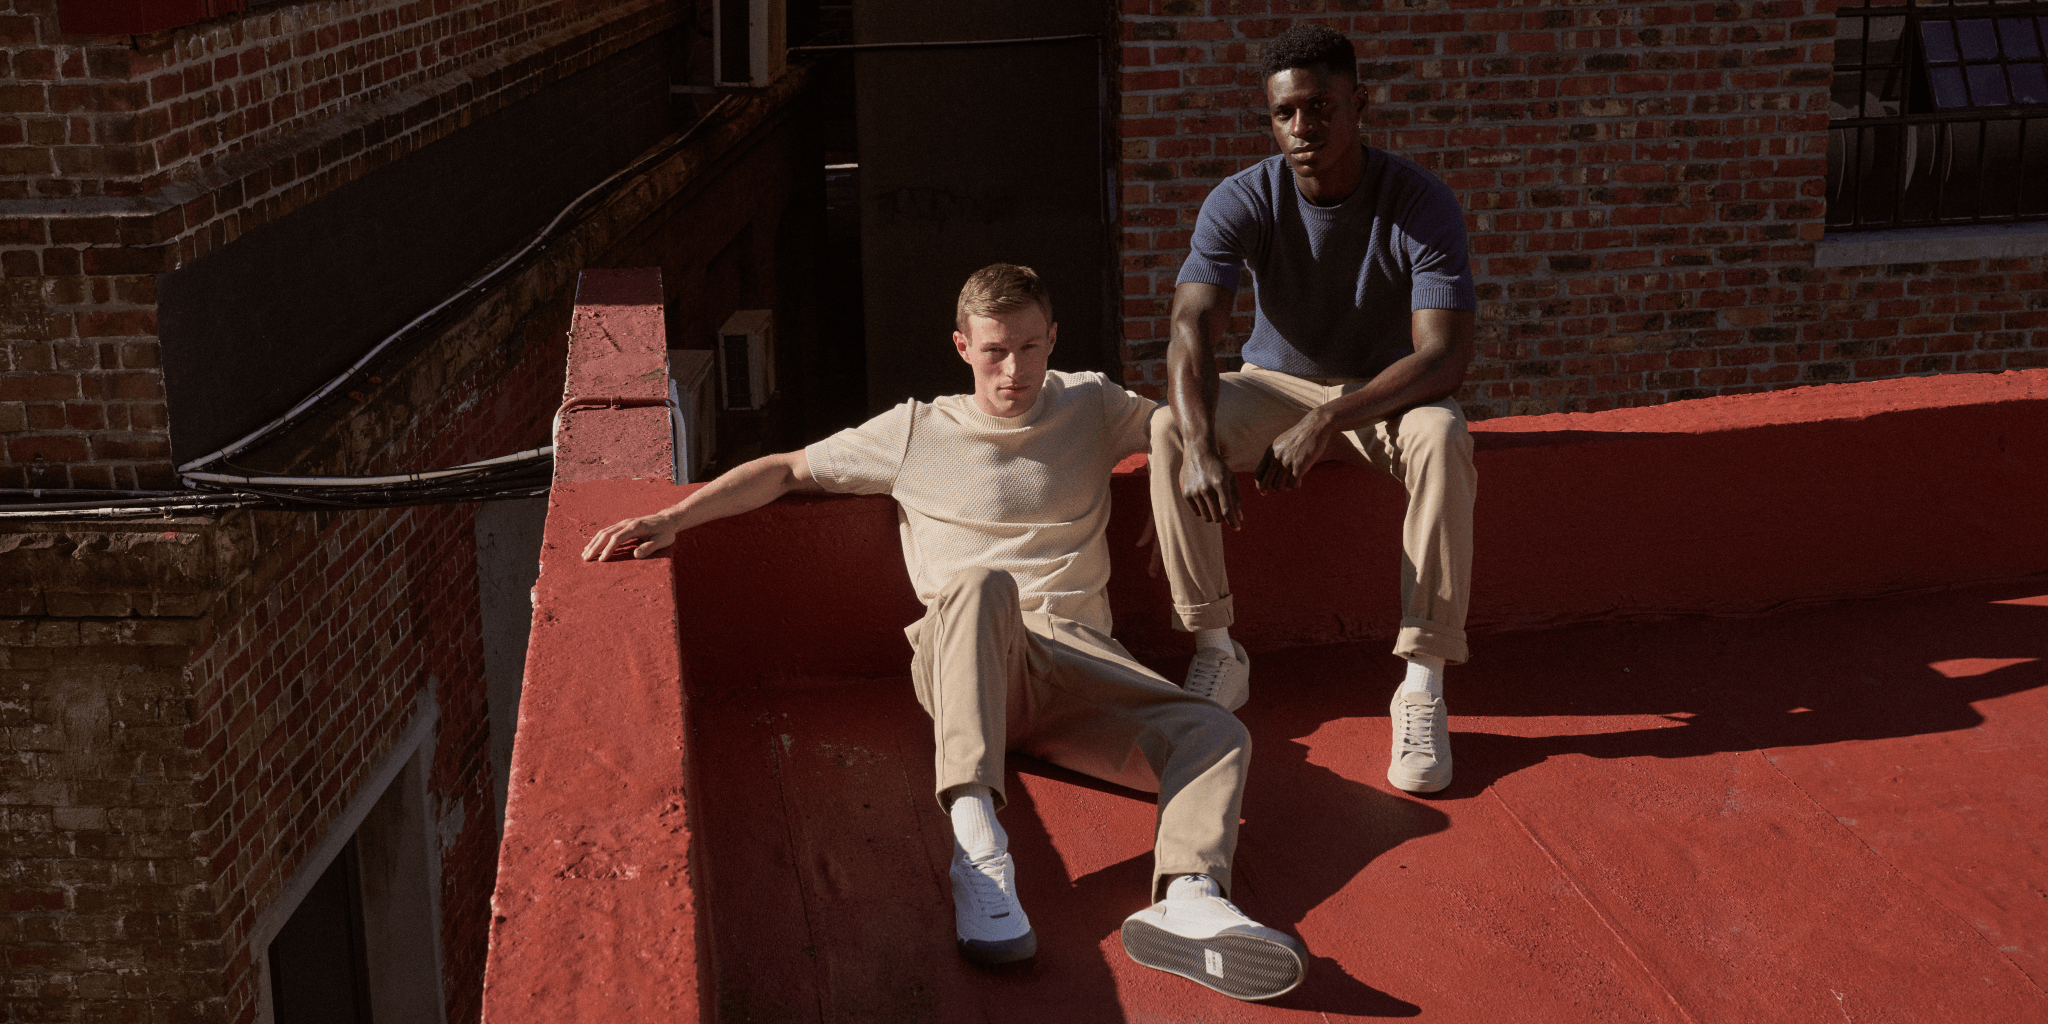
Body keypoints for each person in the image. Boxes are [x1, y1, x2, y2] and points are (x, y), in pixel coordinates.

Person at [584, 264, 1306, 1001]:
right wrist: (674, 517)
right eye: (995, 350)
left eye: (1030, 347)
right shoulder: (914, 430)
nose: (1015, 369)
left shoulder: (1089, 401)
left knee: (1217, 735)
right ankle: (977, 847)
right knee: (979, 584)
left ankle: (1189, 898)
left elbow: (1175, 425)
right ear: (963, 346)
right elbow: (784, 470)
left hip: (1077, 664)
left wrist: (1170, 478)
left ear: (1053, 339)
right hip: (966, 652)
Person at [1147, 24, 1479, 795]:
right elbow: (1192, 325)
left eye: (1321, 107)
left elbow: (1444, 357)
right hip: (1274, 386)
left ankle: (1422, 682)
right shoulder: (1243, 198)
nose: (1303, 129)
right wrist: (1201, 442)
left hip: (1384, 394)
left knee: (1443, 434)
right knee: (1168, 428)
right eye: (1285, 113)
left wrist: (1331, 418)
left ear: (1359, 104)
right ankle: (1218, 648)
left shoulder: (1419, 202)